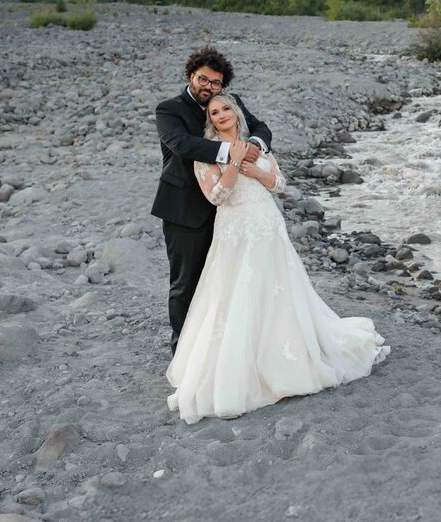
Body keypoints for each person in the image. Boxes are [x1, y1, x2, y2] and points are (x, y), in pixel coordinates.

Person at [166, 92, 388, 423]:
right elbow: (216, 197)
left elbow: (278, 183)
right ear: (209, 119)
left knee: (278, 289)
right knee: (238, 292)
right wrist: (232, 164)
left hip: (268, 226)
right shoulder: (206, 154)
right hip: (236, 230)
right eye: (215, 112)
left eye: (226, 108)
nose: (222, 114)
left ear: (236, 112)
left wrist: (253, 168)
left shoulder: (258, 145)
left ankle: (290, 356)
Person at [151, 47, 272, 354]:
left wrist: (253, 145)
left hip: (230, 210)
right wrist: (231, 152)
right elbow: (183, 144)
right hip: (184, 209)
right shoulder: (169, 109)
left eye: (215, 83)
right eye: (203, 79)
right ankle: (182, 353)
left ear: (222, 86)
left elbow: (260, 128)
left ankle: (219, 350)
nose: (208, 87)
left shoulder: (228, 104)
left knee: (224, 281)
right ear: (191, 75)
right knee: (185, 284)